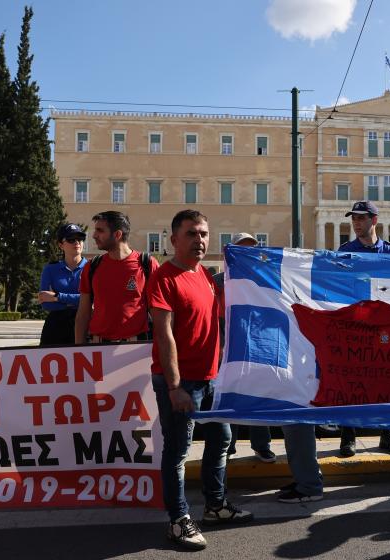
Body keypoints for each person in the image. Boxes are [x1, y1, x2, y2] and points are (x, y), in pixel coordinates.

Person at [149, 210, 252, 550]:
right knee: (178, 451)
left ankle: (215, 506)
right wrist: (176, 386)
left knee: (221, 438)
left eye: (205, 234)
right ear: (174, 239)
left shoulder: (206, 276)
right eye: (192, 234)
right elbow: (164, 336)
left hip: (211, 380)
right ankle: (178, 521)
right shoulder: (164, 278)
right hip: (181, 383)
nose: (200, 240)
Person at [335, 201, 390, 457]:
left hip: (383, 327)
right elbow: (336, 286)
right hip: (354, 325)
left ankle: (387, 433)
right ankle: (348, 436)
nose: (356, 223)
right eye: (353, 218)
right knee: (351, 381)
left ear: (374, 220)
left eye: (361, 218)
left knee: (385, 379)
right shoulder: (345, 251)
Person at [213, 232, 275, 463]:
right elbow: (214, 318)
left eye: (251, 249)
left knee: (258, 397)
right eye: (241, 248)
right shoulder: (218, 281)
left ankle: (262, 446)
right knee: (230, 398)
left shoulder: (262, 281)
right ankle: (228, 447)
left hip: (255, 348)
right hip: (227, 348)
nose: (246, 253)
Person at [75, 211, 158, 343]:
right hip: (99, 347)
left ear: (117, 234)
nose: (94, 235)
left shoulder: (147, 263)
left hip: (137, 347)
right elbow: (83, 314)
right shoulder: (92, 266)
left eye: (100, 231)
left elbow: (159, 312)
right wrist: (78, 349)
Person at [38, 223, 87, 346]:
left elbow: (92, 300)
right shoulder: (50, 269)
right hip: (55, 327)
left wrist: (57, 296)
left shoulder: (92, 268)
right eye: (71, 239)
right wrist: (77, 300)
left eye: (80, 239)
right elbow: (46, 303)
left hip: (85, 323)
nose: (77, 242)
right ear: (61, 245)